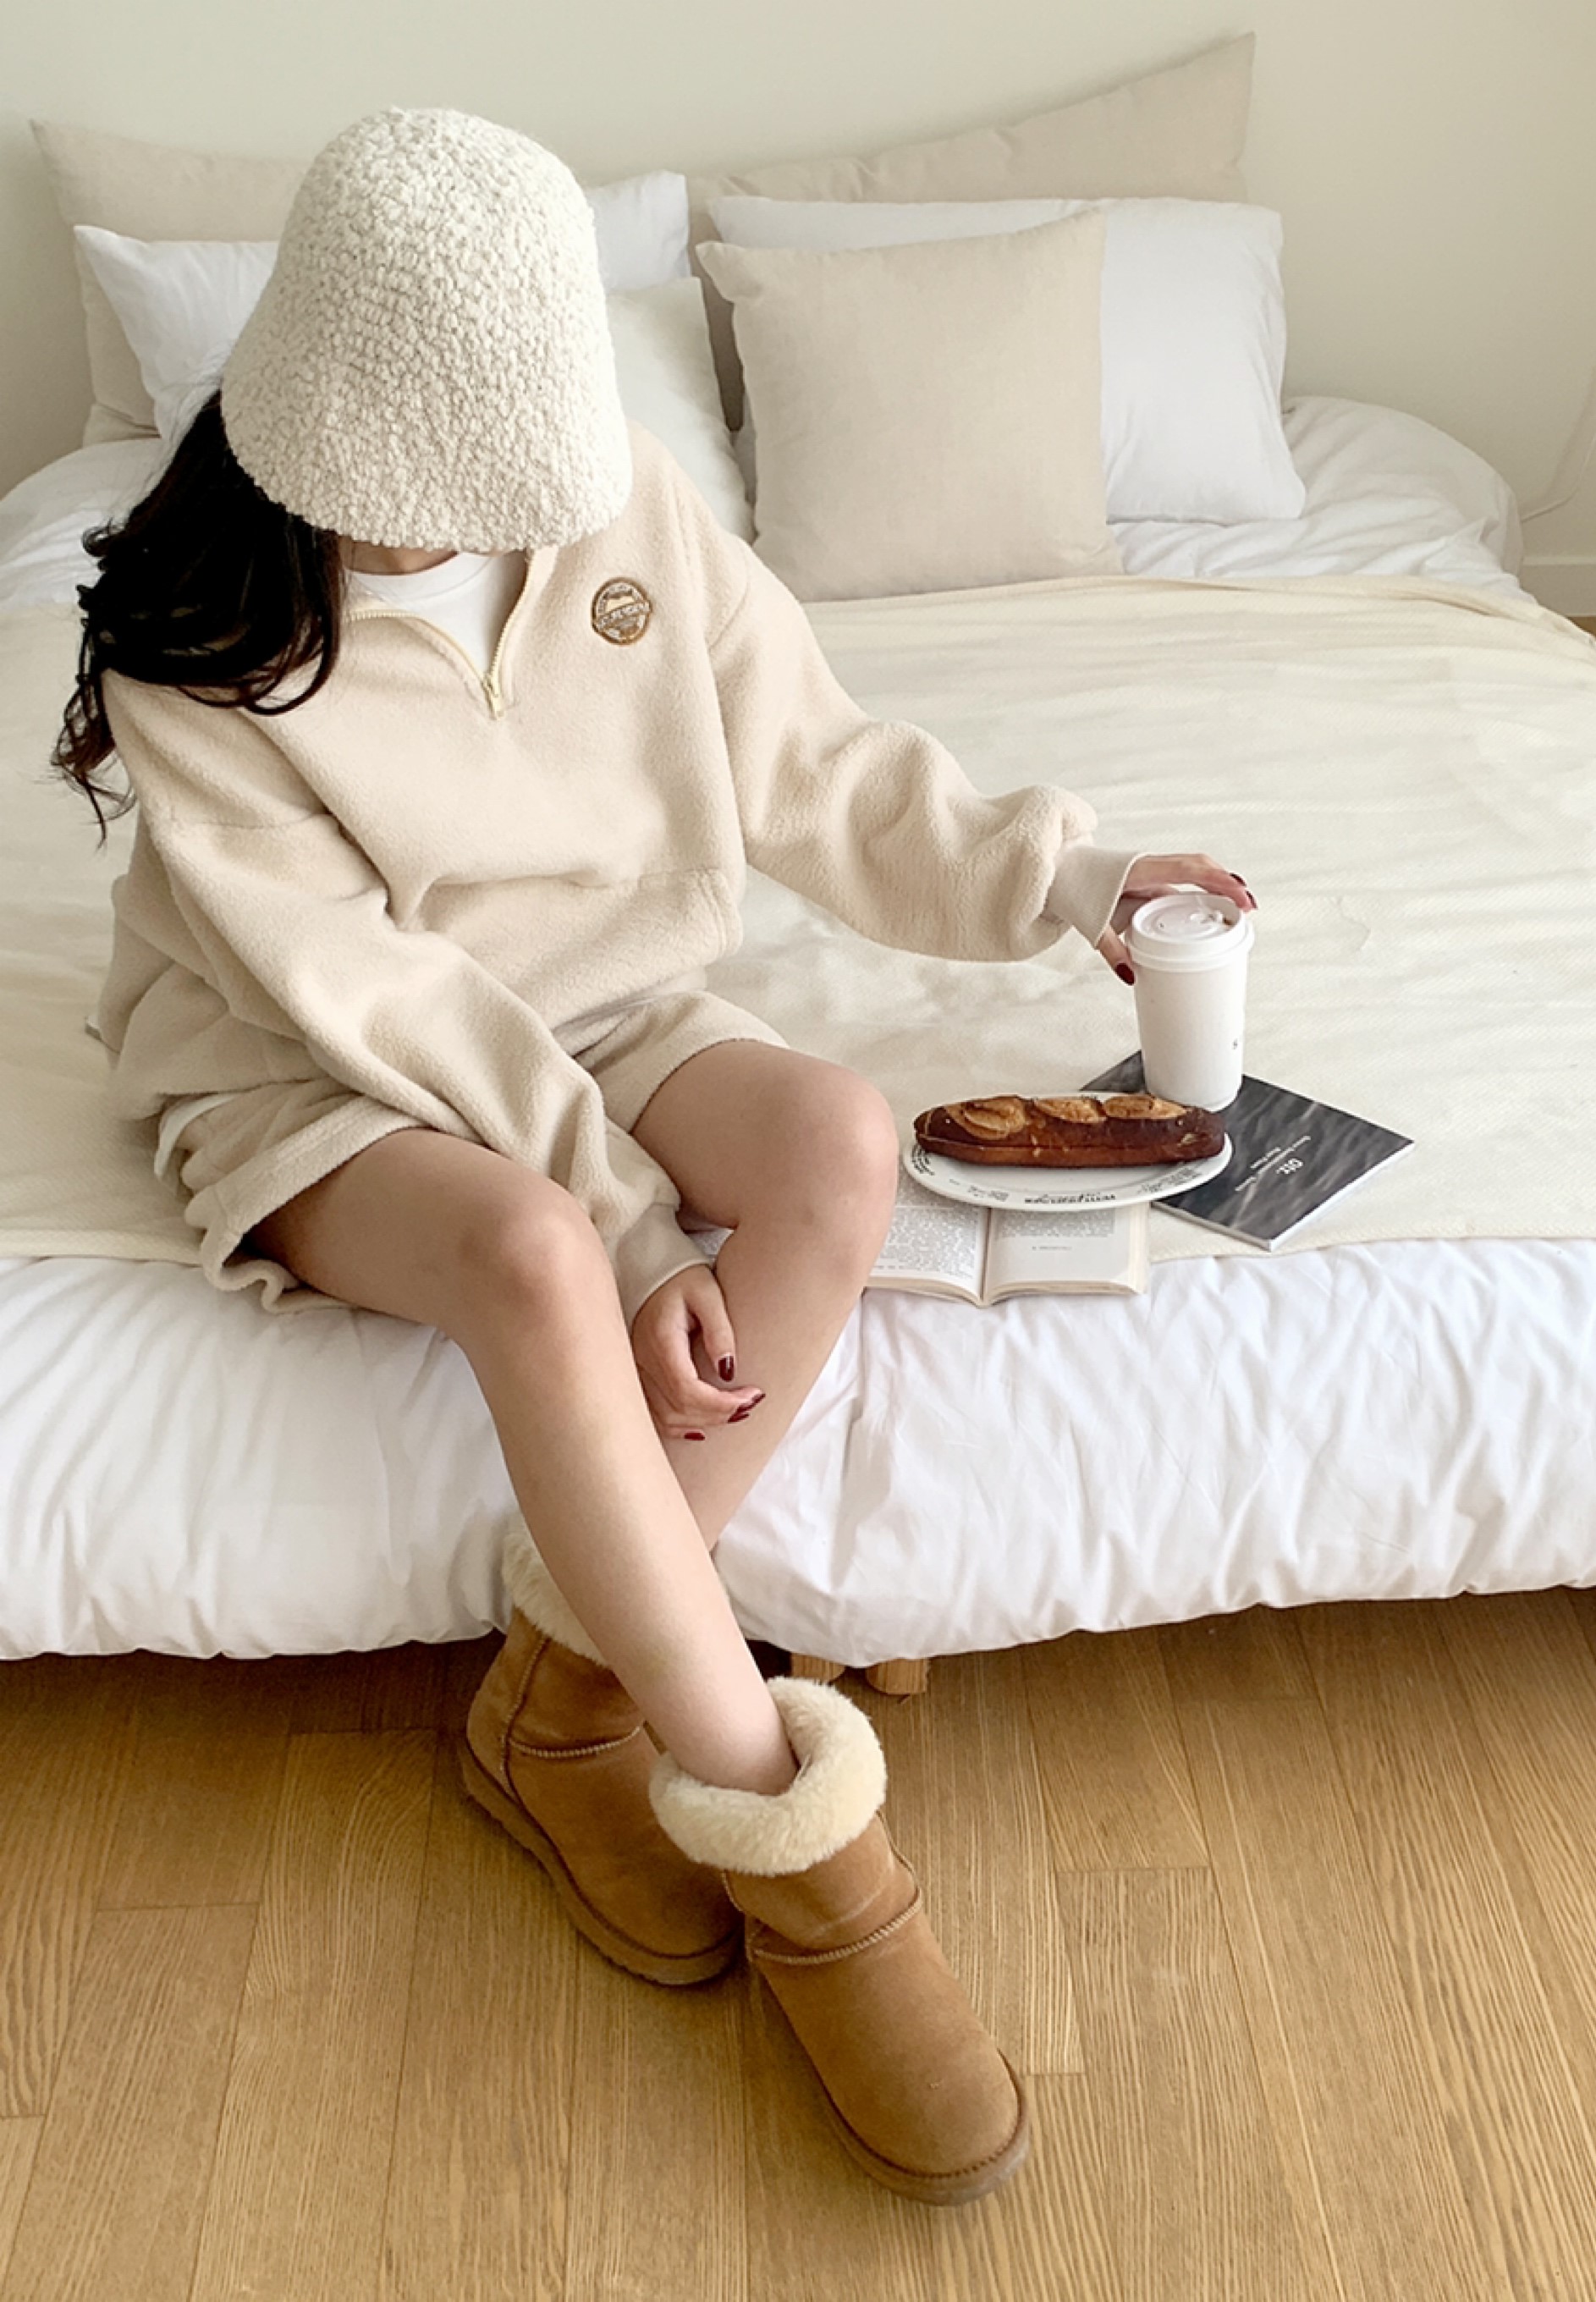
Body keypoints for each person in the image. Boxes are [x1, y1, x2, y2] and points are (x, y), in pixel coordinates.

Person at [52, 106, 1254, 2206]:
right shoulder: (202, 643)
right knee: (531, 1253)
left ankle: (560, 1700)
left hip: (602, 1006)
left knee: (837, 1136)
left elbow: (820, 767)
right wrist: (622, 1230)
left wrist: (1069, 874)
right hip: (311, 1063)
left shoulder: (622, 504)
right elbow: (377, 997)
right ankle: (818, 1865)